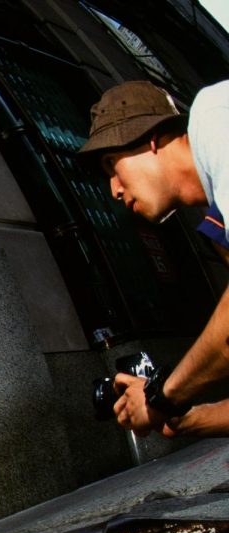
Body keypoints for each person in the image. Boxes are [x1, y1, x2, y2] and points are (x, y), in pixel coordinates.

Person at [77, 79, 229, 438]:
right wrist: (183, 417)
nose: (113, 188)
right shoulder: (218, 220)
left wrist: (162, 396)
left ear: (151, 138)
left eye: (112, 164)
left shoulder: (214, 118)